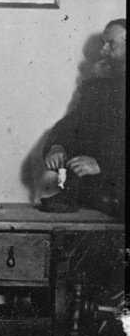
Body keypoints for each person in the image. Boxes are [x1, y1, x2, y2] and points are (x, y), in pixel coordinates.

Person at [41, 18, 126, 216]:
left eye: (111, 43)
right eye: (103, 44)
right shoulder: (99, 86)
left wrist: (103, 165)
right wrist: (57, 146)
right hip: (97, 199)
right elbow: (73, 123)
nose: (103, 51)